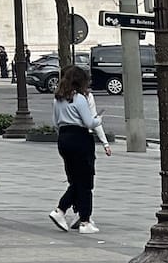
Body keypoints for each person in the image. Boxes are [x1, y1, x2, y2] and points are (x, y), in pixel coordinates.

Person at [50, 65, 111, 235]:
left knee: (75, 179)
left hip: (64, 138)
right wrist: (98, 119)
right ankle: (82, 219)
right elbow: (88, 122)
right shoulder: (80, 99)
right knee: (85, 180)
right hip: (80, 138)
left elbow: (55, 122)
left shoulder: (58, 99)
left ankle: (64, 211)